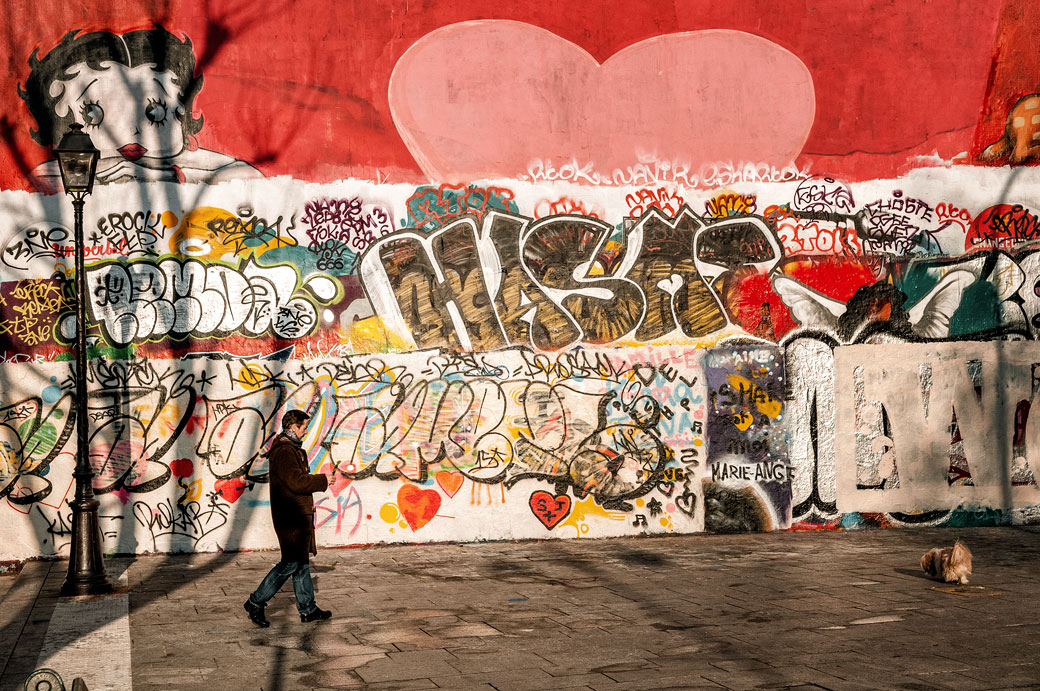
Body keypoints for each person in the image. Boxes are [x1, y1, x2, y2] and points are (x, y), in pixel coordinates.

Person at [19, 26, 263, 193]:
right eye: (93, 114)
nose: (131, 130)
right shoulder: (70, 169)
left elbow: (253, 181)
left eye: (155, 112)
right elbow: (39, 184)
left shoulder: (190, 164)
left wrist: (164, 176)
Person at [244, 410, 332, 626]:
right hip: (291, 518)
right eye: (303, 427)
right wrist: (323, 480)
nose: (305, 431)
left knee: (301, 563)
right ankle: (255, 601)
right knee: (290, 563)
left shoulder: (290, 449)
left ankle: (308, 609)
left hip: (296, 515)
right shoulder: (285, 451)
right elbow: (296, 482)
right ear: (293, 427)